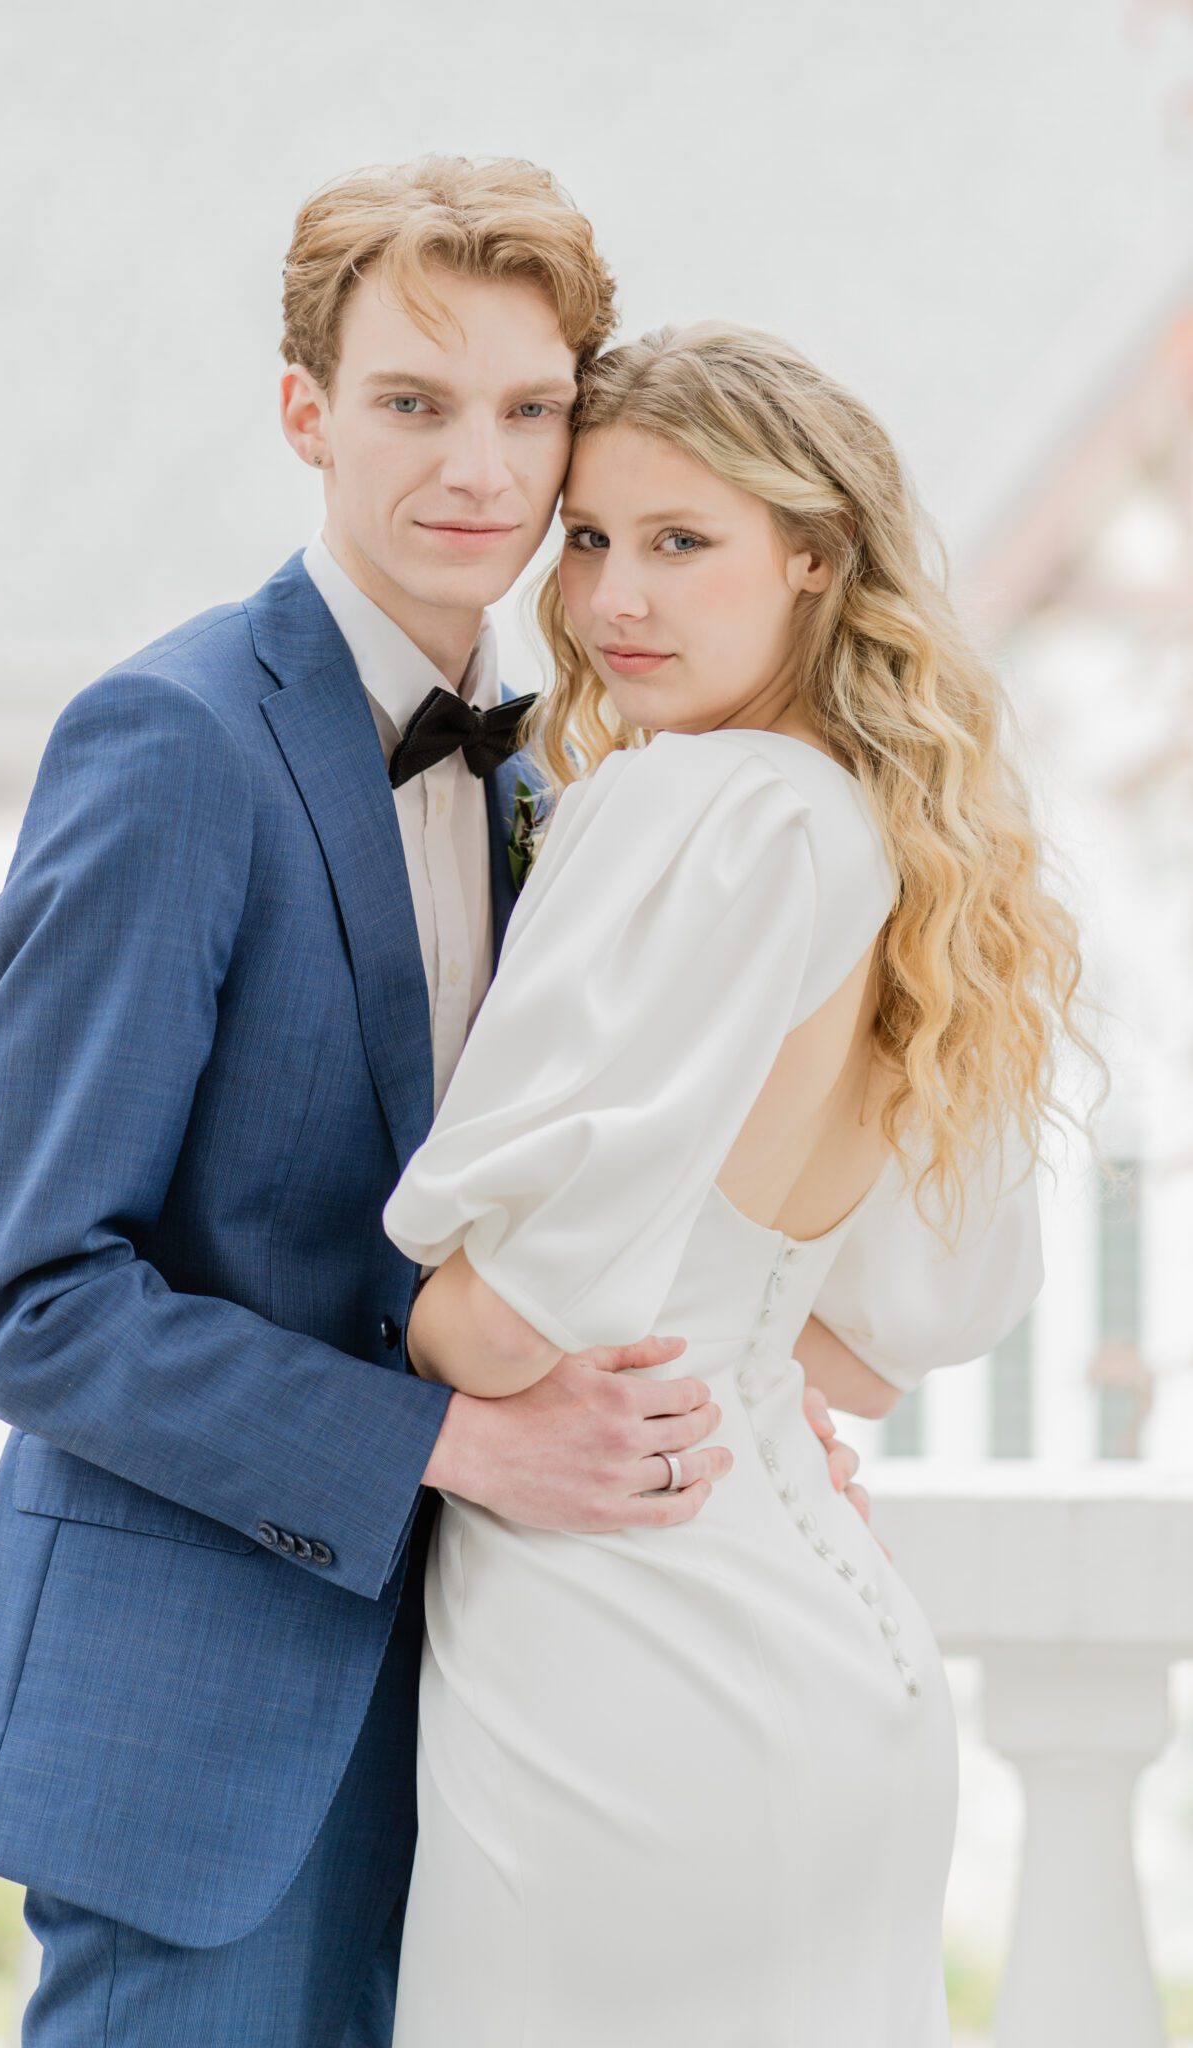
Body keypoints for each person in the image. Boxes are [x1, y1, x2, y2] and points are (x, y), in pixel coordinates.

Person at [0, 164, 880, 2046]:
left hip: (504, 1715)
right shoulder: (173, 741)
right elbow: (28, 1301)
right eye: (413, 403)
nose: (481, 468)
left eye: (531, 411)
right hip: (205, 1725)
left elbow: (556, 1193)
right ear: (305, 415)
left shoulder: (568, 779)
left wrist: (729, 1401)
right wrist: (450, 1446)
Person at [382, 321, 1097, 2046]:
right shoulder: (885, 835)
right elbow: (860, 1353)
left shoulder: (703, 811)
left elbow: (497, 1331)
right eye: (594, 539)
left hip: (617, 1654)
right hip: (816, 1645)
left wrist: (402, 1336)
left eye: (680, 542)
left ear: (812, 557)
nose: (617, 595)